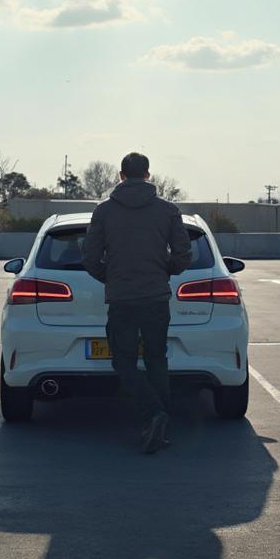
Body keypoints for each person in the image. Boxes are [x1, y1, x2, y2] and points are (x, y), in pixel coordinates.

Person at [82, 152, 192, 454]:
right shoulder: (168, 210)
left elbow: (90, 258)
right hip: (156, 298)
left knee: (123, 362)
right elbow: (183, 255)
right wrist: (162, 271)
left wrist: (113, 277)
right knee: (157, 360)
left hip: (122, 299)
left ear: (120, 175)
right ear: (147, 174)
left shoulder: (104, 211)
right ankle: (161, 419)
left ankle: (152, 414)